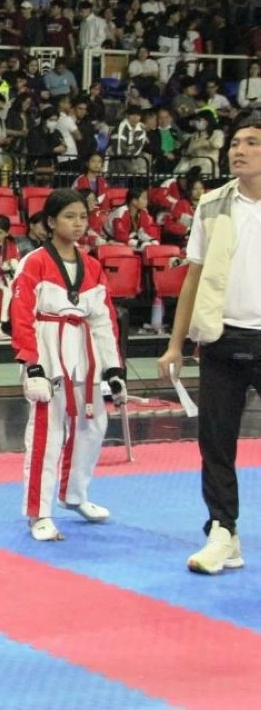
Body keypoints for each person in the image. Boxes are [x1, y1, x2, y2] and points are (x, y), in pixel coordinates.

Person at [158, 119, 261, 574]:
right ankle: (223, 531)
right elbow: (193, 277)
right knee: (215, 443)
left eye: (252, 143)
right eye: (235, 143)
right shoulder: (212, 204)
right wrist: (175, 345)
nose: (239, 150)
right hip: (221, 336)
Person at [9, 188, 125, 542]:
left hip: (84, 352)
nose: (78, 224)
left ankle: (74, 495)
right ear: (50, 221)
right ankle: (39, 512)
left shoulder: (91, 266)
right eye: (69, 217)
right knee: (48, 431)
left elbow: (104, 320)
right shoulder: (35, 262)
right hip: (47, 350)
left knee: (93, 425)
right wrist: (32, 366)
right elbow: (21, 315)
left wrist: (113, 369)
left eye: (82, 217)